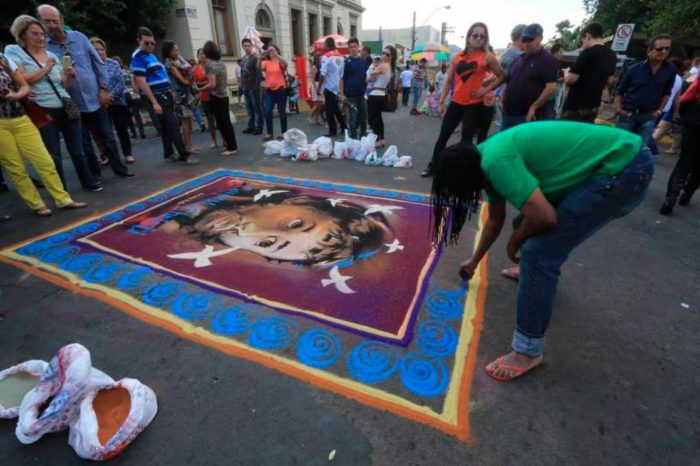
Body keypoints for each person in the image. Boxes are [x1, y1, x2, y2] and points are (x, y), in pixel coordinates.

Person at [430, 121, 653, 381]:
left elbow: (546, 217)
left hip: (622, 168)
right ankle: (534, 277)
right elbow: (494, 220)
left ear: (467, 178)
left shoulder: (497, 163)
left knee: (539, 253)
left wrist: (515, 241)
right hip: (618, 160)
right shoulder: (483, 161)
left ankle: (527, 351)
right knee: (524, 223)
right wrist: (474, 260)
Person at [154, 184, 393, 267]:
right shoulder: (247, 189)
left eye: (267, 243)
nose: (250, 230)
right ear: (300, 202)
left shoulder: (170, 230)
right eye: (295, 224)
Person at [5, 15, 102, 192]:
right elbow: (20, 78)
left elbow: (62, 84)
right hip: (42, 107)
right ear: (23, 35)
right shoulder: (14, 51)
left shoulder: (52, 54)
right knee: (53, 154)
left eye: (42, 34)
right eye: (35, 34)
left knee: (78, 149)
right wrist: (46, 69)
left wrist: (68, 75)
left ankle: (89, 182)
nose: (41, 37)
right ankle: (61, 190)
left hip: (65, 103)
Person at [37, 4, 134, 180]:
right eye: (47, 22)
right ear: (40, 23)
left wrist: (103, 89)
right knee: (84, 142)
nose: (52, 25)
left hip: (95, 98)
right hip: (71, 102)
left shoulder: (80, 38)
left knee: (107, 137)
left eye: (55, 21)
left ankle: (120, 169)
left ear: (62, 21)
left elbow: (98, 64)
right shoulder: (44, 48)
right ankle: (94, 175)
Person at [0, 52, 87, 216]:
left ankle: (62, 199)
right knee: (16, 168)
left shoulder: (3, 59)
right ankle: (36, 204)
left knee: (44, 160)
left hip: (21, 117)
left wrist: (16, 95)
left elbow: (24, 84)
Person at [421, 23, 506, 177]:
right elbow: (448, 80)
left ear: (486, 38)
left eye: (482, 36)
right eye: (475, 35)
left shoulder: (488, 56)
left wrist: (485, 89)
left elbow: (502, 76)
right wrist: (441, 102)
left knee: (466, 141)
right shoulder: (458, 56)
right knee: (443, 137)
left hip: (474, 106)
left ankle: (462, 173)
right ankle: (434, 167)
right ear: (469, 37)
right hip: (456, 104)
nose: (478, 39)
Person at [130, 27, 197, 165]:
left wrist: (170, 91)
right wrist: (154, 102)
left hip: (165, 93)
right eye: (146, 43)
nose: (150, 46)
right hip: (158, 95)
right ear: (138, 41)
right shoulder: (138, 58)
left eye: (152, 43)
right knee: (173, 124)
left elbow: (162, 75)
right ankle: (184, 155)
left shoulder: (151, 55)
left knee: (166, 126)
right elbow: (141, 81)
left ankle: (168, 153)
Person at [615, 34, 676, 144]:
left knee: (640, 150)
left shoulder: (670, 70)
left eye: (667, 48)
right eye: (659, 49)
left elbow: (667, 93)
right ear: (649, 50)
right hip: (628, 114)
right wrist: (619, 110)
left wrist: (658, 111)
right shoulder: (634, 69)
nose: (664, 51)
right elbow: (620, 91)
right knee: (619, 147)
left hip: (649, 117)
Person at [500, 24, 558, 130]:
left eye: (530, 40)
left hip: (525, 116)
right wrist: (503, 97)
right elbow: (510, 81)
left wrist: (534, 107)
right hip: (508, 113)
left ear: (540, 38)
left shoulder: (547, 59)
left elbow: (551, 87)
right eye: (524, 40)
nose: (526, 43)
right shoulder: (518, 59)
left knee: (522, 145)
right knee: (504, 144)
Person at [561, 22, 618, 123]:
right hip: (594, 106)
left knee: (568, 135)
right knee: (584, 135)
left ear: (588, 36)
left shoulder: (587, 53)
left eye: (582, 40)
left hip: (576, 106)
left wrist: (566, 72)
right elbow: (610, 81)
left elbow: (570, 79)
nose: (582, 44)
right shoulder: (612, 55)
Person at [90, 39, 135, 165]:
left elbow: (120, 83)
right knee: (104, 132)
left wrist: (110, 96)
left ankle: (128, 153)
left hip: (117, 102)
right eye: (96, 50)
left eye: (101, 49)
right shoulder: (90, 66)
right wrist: (102, 98)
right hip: (100, 104)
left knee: (122, 129)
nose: (99, 52)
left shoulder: (113, 63)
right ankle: (109, 156)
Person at [660, 76, 700, 214]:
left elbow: (687, 97)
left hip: (695, 124)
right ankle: (687, 194)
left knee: (685, 161)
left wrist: (679, 114)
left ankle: (671, 198)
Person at [197, 41, 237, 156]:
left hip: (216, 96)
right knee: (226, 122)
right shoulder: (221, 64)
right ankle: (230, 145)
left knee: (222, 123)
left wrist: (200, 89)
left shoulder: (210, 65)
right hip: (224, 95)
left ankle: (231, 147)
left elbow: (212, 84)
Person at [163, 40, 198, 154]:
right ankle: (187, 146)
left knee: (189, 119)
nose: (178, 52)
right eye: (175, 50)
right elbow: (182, 80)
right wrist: (189, 78)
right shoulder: (169, 63)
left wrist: (190, 76)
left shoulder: (179, 61)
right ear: (169, 51)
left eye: (178, 49)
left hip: (187, 93)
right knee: (185, 121)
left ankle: (190, 144)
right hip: (180, 95)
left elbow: (189, 72)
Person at [650, 57, 687, 156]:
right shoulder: (680, 79)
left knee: (648, 129)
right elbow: (677, 98)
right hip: (665, 108)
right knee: (650, 129)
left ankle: (652, 151)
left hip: (655, 106)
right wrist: (675, 112)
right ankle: (651, 151)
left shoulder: (666, 75)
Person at [367, 46, 396, 148]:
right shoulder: (390, 66)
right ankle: (381, 139)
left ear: (391, 56)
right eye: (383, 53)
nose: (384, 55)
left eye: (387, 54)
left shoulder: (383, 65)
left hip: (375, 93)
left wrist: (374, 68)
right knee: (378, 117)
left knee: (373, 118)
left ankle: (377, 140)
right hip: (382, 93)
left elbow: (371, 73)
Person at [317, 37, 347, 137]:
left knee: (329, 111)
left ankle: (333, 131)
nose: (324, 47)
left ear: (328, 45)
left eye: (324, 45)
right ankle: (344, 127)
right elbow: (342, 74)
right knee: (336, 109)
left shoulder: (326, 56)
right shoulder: (341, 57)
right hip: (338, 87)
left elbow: (322, 74)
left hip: (329, 87)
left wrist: (319, 88)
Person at [258, 43, 288, 141]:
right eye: (269, 50)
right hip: (269, 90)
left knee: (282, 112)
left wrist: (277, 54)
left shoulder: (279, 61)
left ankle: (284, 133)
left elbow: (286, 64)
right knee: (267, 111)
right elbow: (258, 67)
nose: (270, 52)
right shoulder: (266, 62)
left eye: (272, 50)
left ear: (276, 51)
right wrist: (260, 56)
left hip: (281, 89)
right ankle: (269, 133)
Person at [340, 37, 369, 139]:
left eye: (354, 46)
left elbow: (366, 77)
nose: (352, 49)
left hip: (361, 95)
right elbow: (342, 79)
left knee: (363, 118)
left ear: (358, 47)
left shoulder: (363, 61)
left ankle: (363, 139)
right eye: (350, 47)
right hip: (350, 95)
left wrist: (367, 91)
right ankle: (352, 140)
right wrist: (342, 94)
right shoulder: (346, 62)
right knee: (352, 119)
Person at [193, 48, 218, 148]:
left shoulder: (211, 65)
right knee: (210, 120)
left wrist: (203, 83)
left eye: (204, 53)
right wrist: (205, 83)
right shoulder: (195, 69)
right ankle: (214, 141)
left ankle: (225, 141)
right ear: (197, 56)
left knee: (219, 119)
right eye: (200, 54)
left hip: (215, 95)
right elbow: (194, 83)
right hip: (204, 96)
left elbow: (214, 81)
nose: (202, 55)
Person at [240, 38, 263, 135]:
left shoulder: (255, 58)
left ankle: (259, 127)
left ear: (252, 46)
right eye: (245, 46)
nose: (247, 47)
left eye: (248, 45)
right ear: (243, 47)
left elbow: (259, 74)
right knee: (249, 109)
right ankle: (251, 126)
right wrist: (241, 86)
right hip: (246, 88)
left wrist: (255, 87)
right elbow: (242, 73)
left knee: (257, 108)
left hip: (254, 88)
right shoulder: (243, 59)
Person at [121, 60, 145, 139]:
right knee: (136, 113)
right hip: (132, 92)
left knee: (128, 115)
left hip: (124, 94)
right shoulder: (128, 71)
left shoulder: (116, 72)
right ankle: (142, 132)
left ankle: (133, 132)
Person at [307, 53, 324, 125]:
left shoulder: (321, 66)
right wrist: (316, 88)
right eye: (321, 58)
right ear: (317, 59)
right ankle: (310, 116)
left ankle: (316, 119)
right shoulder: (314, 67)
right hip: (316, 85)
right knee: (317, 103)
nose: (322, 59)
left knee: (319, 104)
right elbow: (313, 79)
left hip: (320, 85)